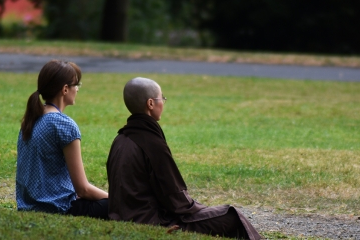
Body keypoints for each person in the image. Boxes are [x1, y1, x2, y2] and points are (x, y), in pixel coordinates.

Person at [106, 77, 261, 239]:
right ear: (151, 104)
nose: (163, 103)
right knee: (232, 215)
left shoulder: (120, 139)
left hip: (123, 219)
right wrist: (203, 209)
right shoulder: (151, 143)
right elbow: (176, 200)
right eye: (162, 98)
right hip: (152, 225)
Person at [16, 60, 108, 219]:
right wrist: (114, 199)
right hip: (58, 208)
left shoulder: (31, 119)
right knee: (114, 206)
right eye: (76, 85)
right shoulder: (63, 124)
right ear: (65, 89)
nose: (78, 89)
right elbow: (83, 189)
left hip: (28, 206)